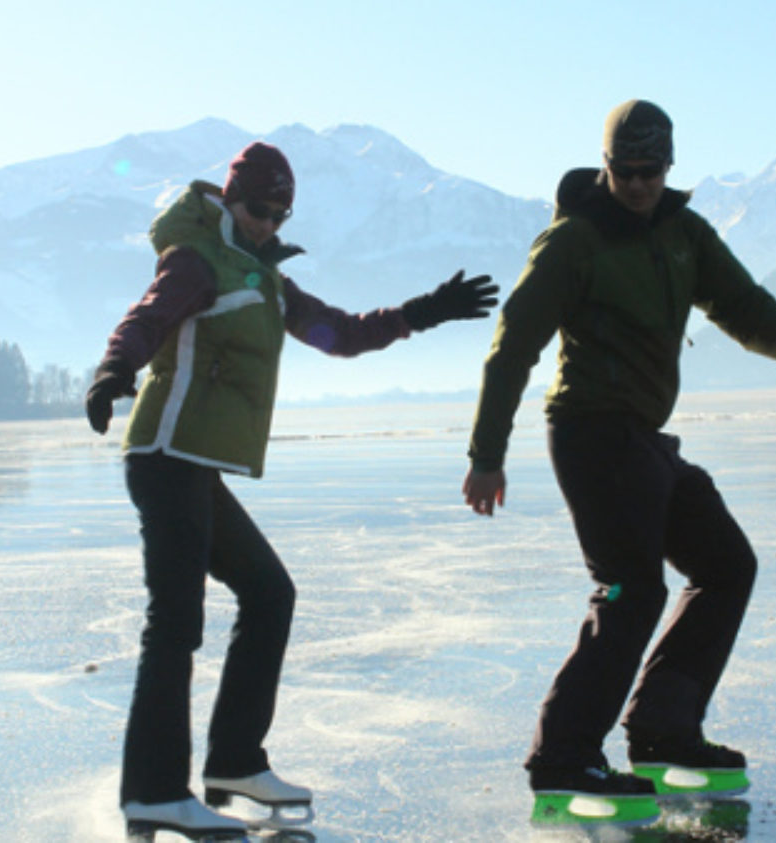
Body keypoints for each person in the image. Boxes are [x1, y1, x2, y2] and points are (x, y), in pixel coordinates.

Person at [86, 140, 498, 840]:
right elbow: (148, 315)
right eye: (257, 209)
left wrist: (425, 310)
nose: (268, 223)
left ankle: (235, 763)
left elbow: (338, 333)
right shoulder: (197, 259)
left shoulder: (265, 277)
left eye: (281, 213)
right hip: (164, 456)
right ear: (230, 197)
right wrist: (113, 368)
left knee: (270, 593)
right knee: (176, 622)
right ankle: (154, 789)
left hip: (195, 465)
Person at [461, 100, 776, 820]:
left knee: (727, 563)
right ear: (606, 166)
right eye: (627, 170)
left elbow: (740, 301)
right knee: (630, 590)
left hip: (644, 439)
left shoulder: (682, 231)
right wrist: (487, 453)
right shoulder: (573, 242)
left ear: (668, 167)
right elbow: (513, 344)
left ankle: (664, 732)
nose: (639, 184)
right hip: (590, 433)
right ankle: (563, 757)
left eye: (652, 170)